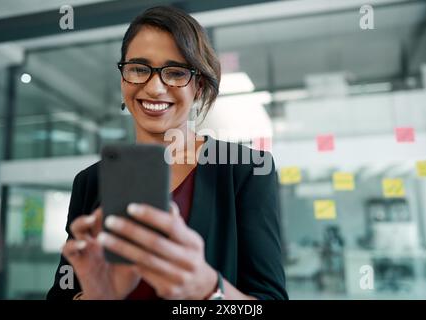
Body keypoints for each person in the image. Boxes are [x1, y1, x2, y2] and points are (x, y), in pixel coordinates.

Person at [46, 5, 288, 300]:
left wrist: (207, 288)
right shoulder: (91, 181)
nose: (155, 87)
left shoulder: (245, 170)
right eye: (138, 68)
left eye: (175, 73)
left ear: (198, 87)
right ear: (123, 78)